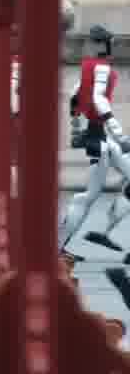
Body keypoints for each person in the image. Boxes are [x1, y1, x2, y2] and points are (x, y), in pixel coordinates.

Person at [58, 25, 130, 253]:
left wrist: (76, 125)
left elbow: (74, 96)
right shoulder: (102, 69)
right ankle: (56, 247)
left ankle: (103, 232)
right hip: (101, 138)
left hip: (100, 137)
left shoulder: (89, 68)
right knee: (87, 197)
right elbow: (99, 99)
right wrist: (119, 133)